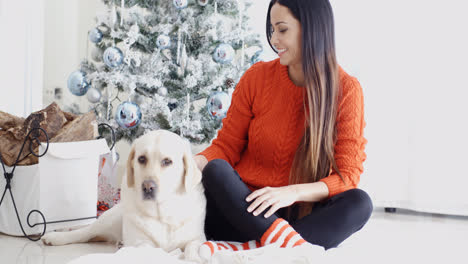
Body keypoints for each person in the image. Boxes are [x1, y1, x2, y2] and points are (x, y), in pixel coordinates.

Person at [194, 0, 373, 258]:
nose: (274, 39)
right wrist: (188, 163)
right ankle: (286, 250)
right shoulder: (256, 78)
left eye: (282, 30)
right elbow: (225, 148)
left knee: (359, 203)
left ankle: (256, 249)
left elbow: (347, 175)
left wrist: (292, 193)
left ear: (312, 29)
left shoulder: (346, 90)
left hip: (298, 214)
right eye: (271, 30)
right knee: (216, 170)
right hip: (242, 210)